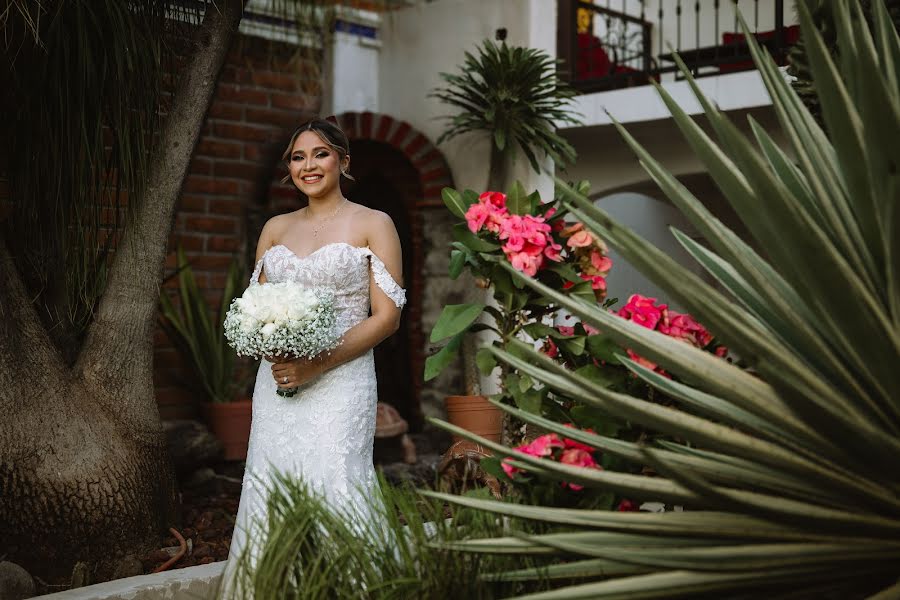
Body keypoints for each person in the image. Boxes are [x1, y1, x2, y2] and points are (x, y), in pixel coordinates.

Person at [221, 117, 406, 594]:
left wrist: (316, 363)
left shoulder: (373, 223)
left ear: (343, 161)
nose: (309, 165)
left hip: (342, 379)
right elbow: (255, 309)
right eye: (298, 156)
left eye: (320, 153)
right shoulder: (275, 228)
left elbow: (386, 318)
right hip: (278, 379)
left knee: (337, 479)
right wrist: (273, 348)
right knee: (271, 481)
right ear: (289, 169)